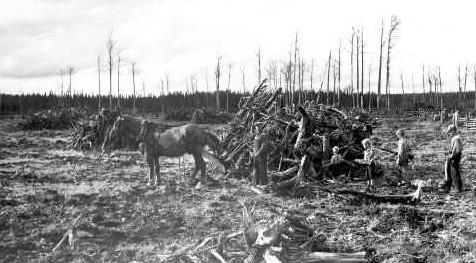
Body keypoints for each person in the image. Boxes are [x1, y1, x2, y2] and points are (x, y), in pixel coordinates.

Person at [441, 124, 463, 193]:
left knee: (454, 172)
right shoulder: (457, 137)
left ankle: (458, 188)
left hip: (455, 156)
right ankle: (451, 187)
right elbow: (455, 148)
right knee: (451, 171)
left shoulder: (456, 138)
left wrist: (451, 155)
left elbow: (456, 149)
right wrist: (449, 152)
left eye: (450, 132)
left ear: (453, 131)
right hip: (456, 155)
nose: (449, 134)